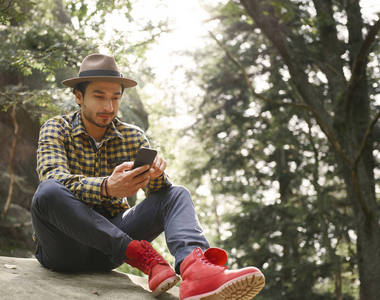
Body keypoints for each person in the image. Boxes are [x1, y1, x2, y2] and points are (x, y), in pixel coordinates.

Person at [30, 53, 265, 299]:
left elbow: (158, 196)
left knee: (176, 194)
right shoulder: (56, 128)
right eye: (99, 96)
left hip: (110, 247)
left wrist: (155, 175)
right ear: (79, 96)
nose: (108, 107)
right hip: (65, 249)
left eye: (115, 97)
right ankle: (141, 255)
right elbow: (52, 177)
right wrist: (106, 187)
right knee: (48, 191)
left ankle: (197, 272)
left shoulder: (133, 136)